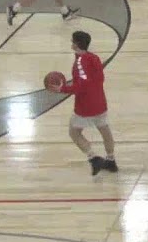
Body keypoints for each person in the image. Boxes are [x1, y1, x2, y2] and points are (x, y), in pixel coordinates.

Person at [47, 30, 118, 175]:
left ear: (76, 44)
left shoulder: (80, 62)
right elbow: (99, 79)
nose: (71, 43)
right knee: (105, 130)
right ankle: (111, 161)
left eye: (72, 41)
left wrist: (63, 89)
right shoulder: (95, 58)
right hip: (100, 101)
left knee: (74, 132)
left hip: (85, 106)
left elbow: (82, 85)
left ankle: (93, 158)